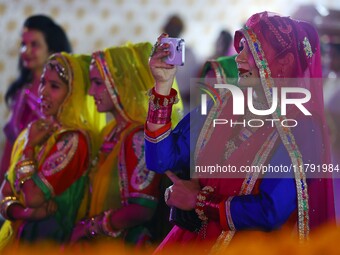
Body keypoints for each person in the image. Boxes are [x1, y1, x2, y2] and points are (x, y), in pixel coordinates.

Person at [145, 12, 335, 252]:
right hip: (191, 242)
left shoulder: (303, 127)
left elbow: (271, 210)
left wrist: (198, 201)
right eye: (241, 47)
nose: (238, 59)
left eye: (253, 50)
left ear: (284, 61)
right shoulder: (223, 106)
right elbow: (161, 159)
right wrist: (162, 86)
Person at [70, 42, 182, 245]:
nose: (90, 92)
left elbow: (142, 209)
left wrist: (93, 227)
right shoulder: (109, 131)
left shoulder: (138, 135)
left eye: (97, 82)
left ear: (119, 83)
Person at [0, 52, 103, 250]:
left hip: (49, 244)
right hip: (18, 236)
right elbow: (4, 191)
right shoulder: (33, 132)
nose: (43, 92)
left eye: (54, 86)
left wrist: (29, 148)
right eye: (43, 83)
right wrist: (24, 214)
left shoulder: (74, 140)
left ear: (73, 94)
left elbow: (34, 197)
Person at [0, 15, 72, 184]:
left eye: (35, 45)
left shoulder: (66, 92)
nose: (26, 51)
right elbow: (12, 143)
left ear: (51, 49)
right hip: (16, 178)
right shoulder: (21, 92)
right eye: (23, 44)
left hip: (49, 180)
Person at [162, 14, 200, 115]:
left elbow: (196, 80)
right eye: (171, 27)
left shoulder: (189, 53)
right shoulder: (158, 53)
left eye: (176, 27)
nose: (173, 30)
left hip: (184, 105)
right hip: (163, 103)